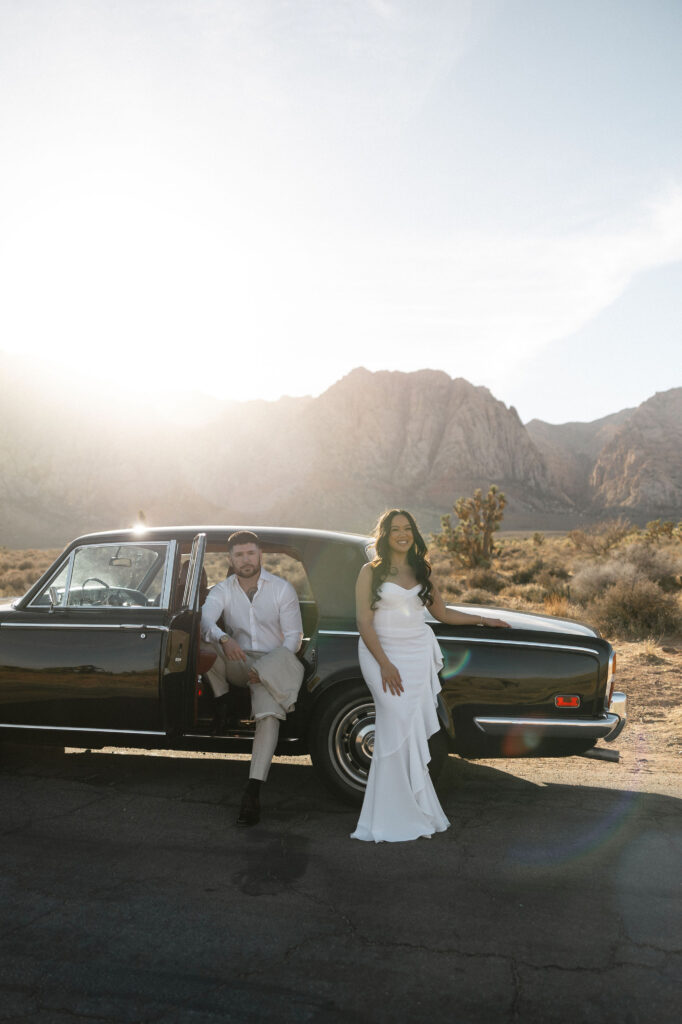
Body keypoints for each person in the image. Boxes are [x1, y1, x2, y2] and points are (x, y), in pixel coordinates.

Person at [351, 509, 509, 843]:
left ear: (414, 533)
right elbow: (364, 622)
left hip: (416, 655)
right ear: (385, 535)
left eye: (407, 528)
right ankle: (388, 814)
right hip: (381, 654)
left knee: (409, 732)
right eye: (395, 529)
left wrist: (484, 620)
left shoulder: (422, 570)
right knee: (393, 723)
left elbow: (443, 613)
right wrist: (385, 664)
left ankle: (417, 808)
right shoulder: (371, 572)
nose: (402, 534)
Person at [201, 530, 304, 827]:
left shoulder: (282, 589)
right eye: (239, 555)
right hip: (238, 659)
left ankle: (253, 790)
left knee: (269, 717)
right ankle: (221, 699)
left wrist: (268, 669)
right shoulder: (223, 590)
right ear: (230, 560)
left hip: (272, 662)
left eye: (250, 553)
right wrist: (224, 639)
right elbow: (206, 620)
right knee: (200, 641)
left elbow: (294, 638)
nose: (245, 560)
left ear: (260, 555)